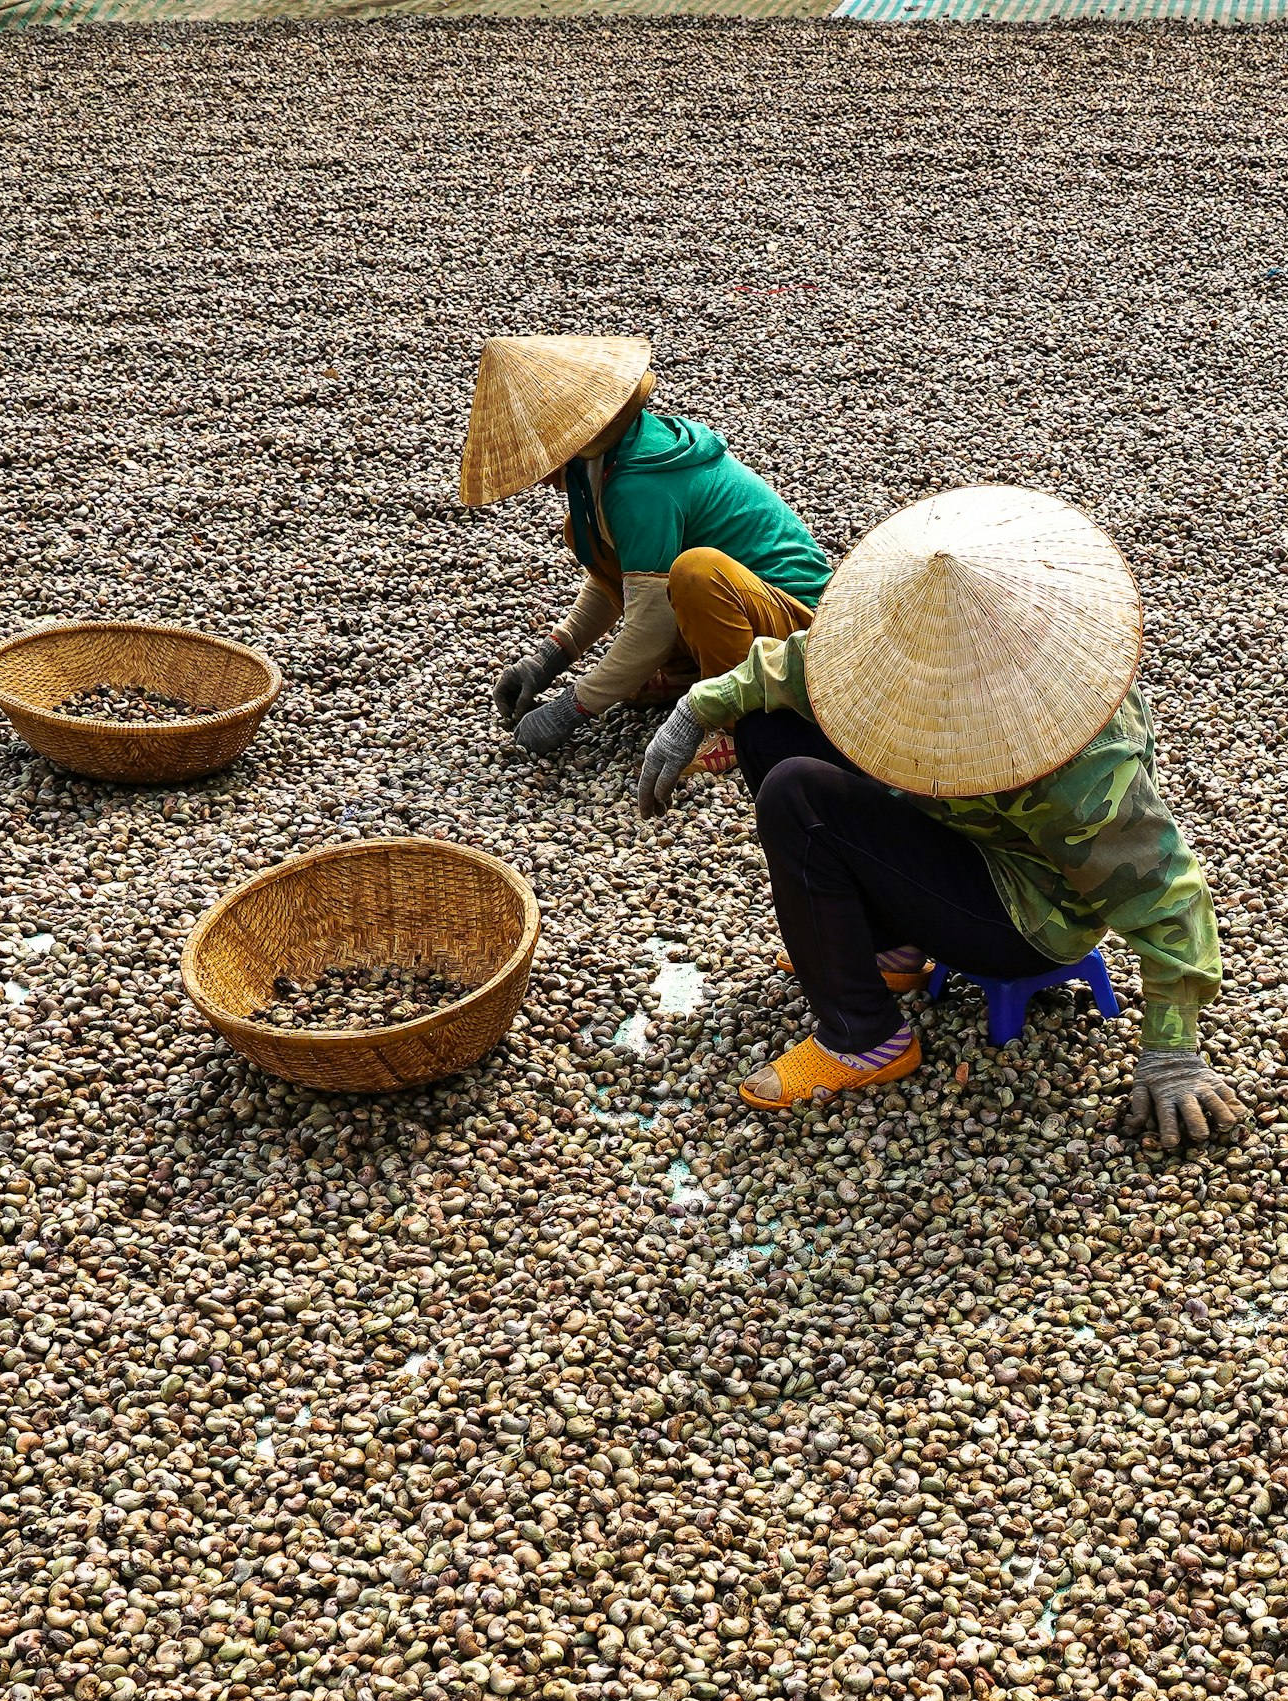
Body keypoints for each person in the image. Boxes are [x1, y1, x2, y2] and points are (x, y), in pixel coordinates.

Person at [629, 485, 1244, 1147]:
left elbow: (1169, 894)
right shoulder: (909, 646)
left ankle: (862, 1035)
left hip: (1025, 907)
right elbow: (808, 667)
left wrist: (1171, 1052)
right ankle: (886, 945)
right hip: (956, 826)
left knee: (797, 796)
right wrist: (701, 706)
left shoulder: (1079, 757)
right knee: (767, 728)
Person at [458, 335, 833, 754]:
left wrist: (572, 707)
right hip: (747, 612)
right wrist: (550, 657)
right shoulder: (605, 461)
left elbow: (650, 622)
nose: (538, 477)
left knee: (698, 573)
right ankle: (686, 672)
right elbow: (628, 580)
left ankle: (735, 727)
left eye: (539, 458)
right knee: (581, 533)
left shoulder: (637, 486)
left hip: (802, 637)